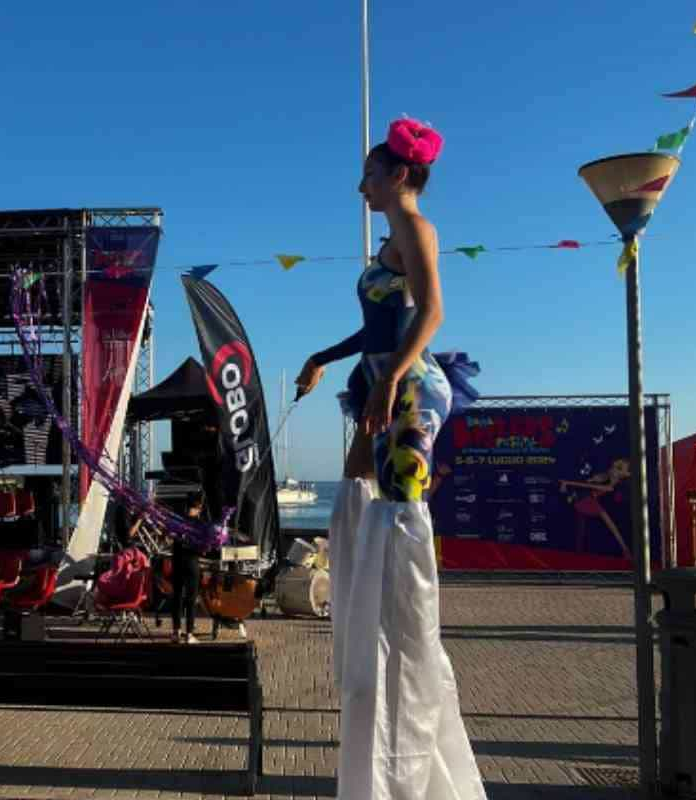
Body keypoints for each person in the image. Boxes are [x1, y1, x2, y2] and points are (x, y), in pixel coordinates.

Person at [295, 119, 485, 799]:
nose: (362, 185)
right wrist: (327, 356)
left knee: (399, 511)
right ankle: (361, 613)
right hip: (381, 379)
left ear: (401, 175)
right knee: (355, 491)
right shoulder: (387, 241)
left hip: (406, 389)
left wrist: (389, 378)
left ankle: (400, 645)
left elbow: (430, 313)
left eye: (371, 173)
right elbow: (378, 324)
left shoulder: (417, 230)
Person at [171, 492, 206, 645]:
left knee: (177, 597)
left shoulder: (177, 521)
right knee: (191, 600)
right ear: (198, 506)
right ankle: (189, 634)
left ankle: (176, 632)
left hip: (177, 561)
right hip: (192, 563)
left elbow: (170, 537)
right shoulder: (200, 524)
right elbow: (202, 548)